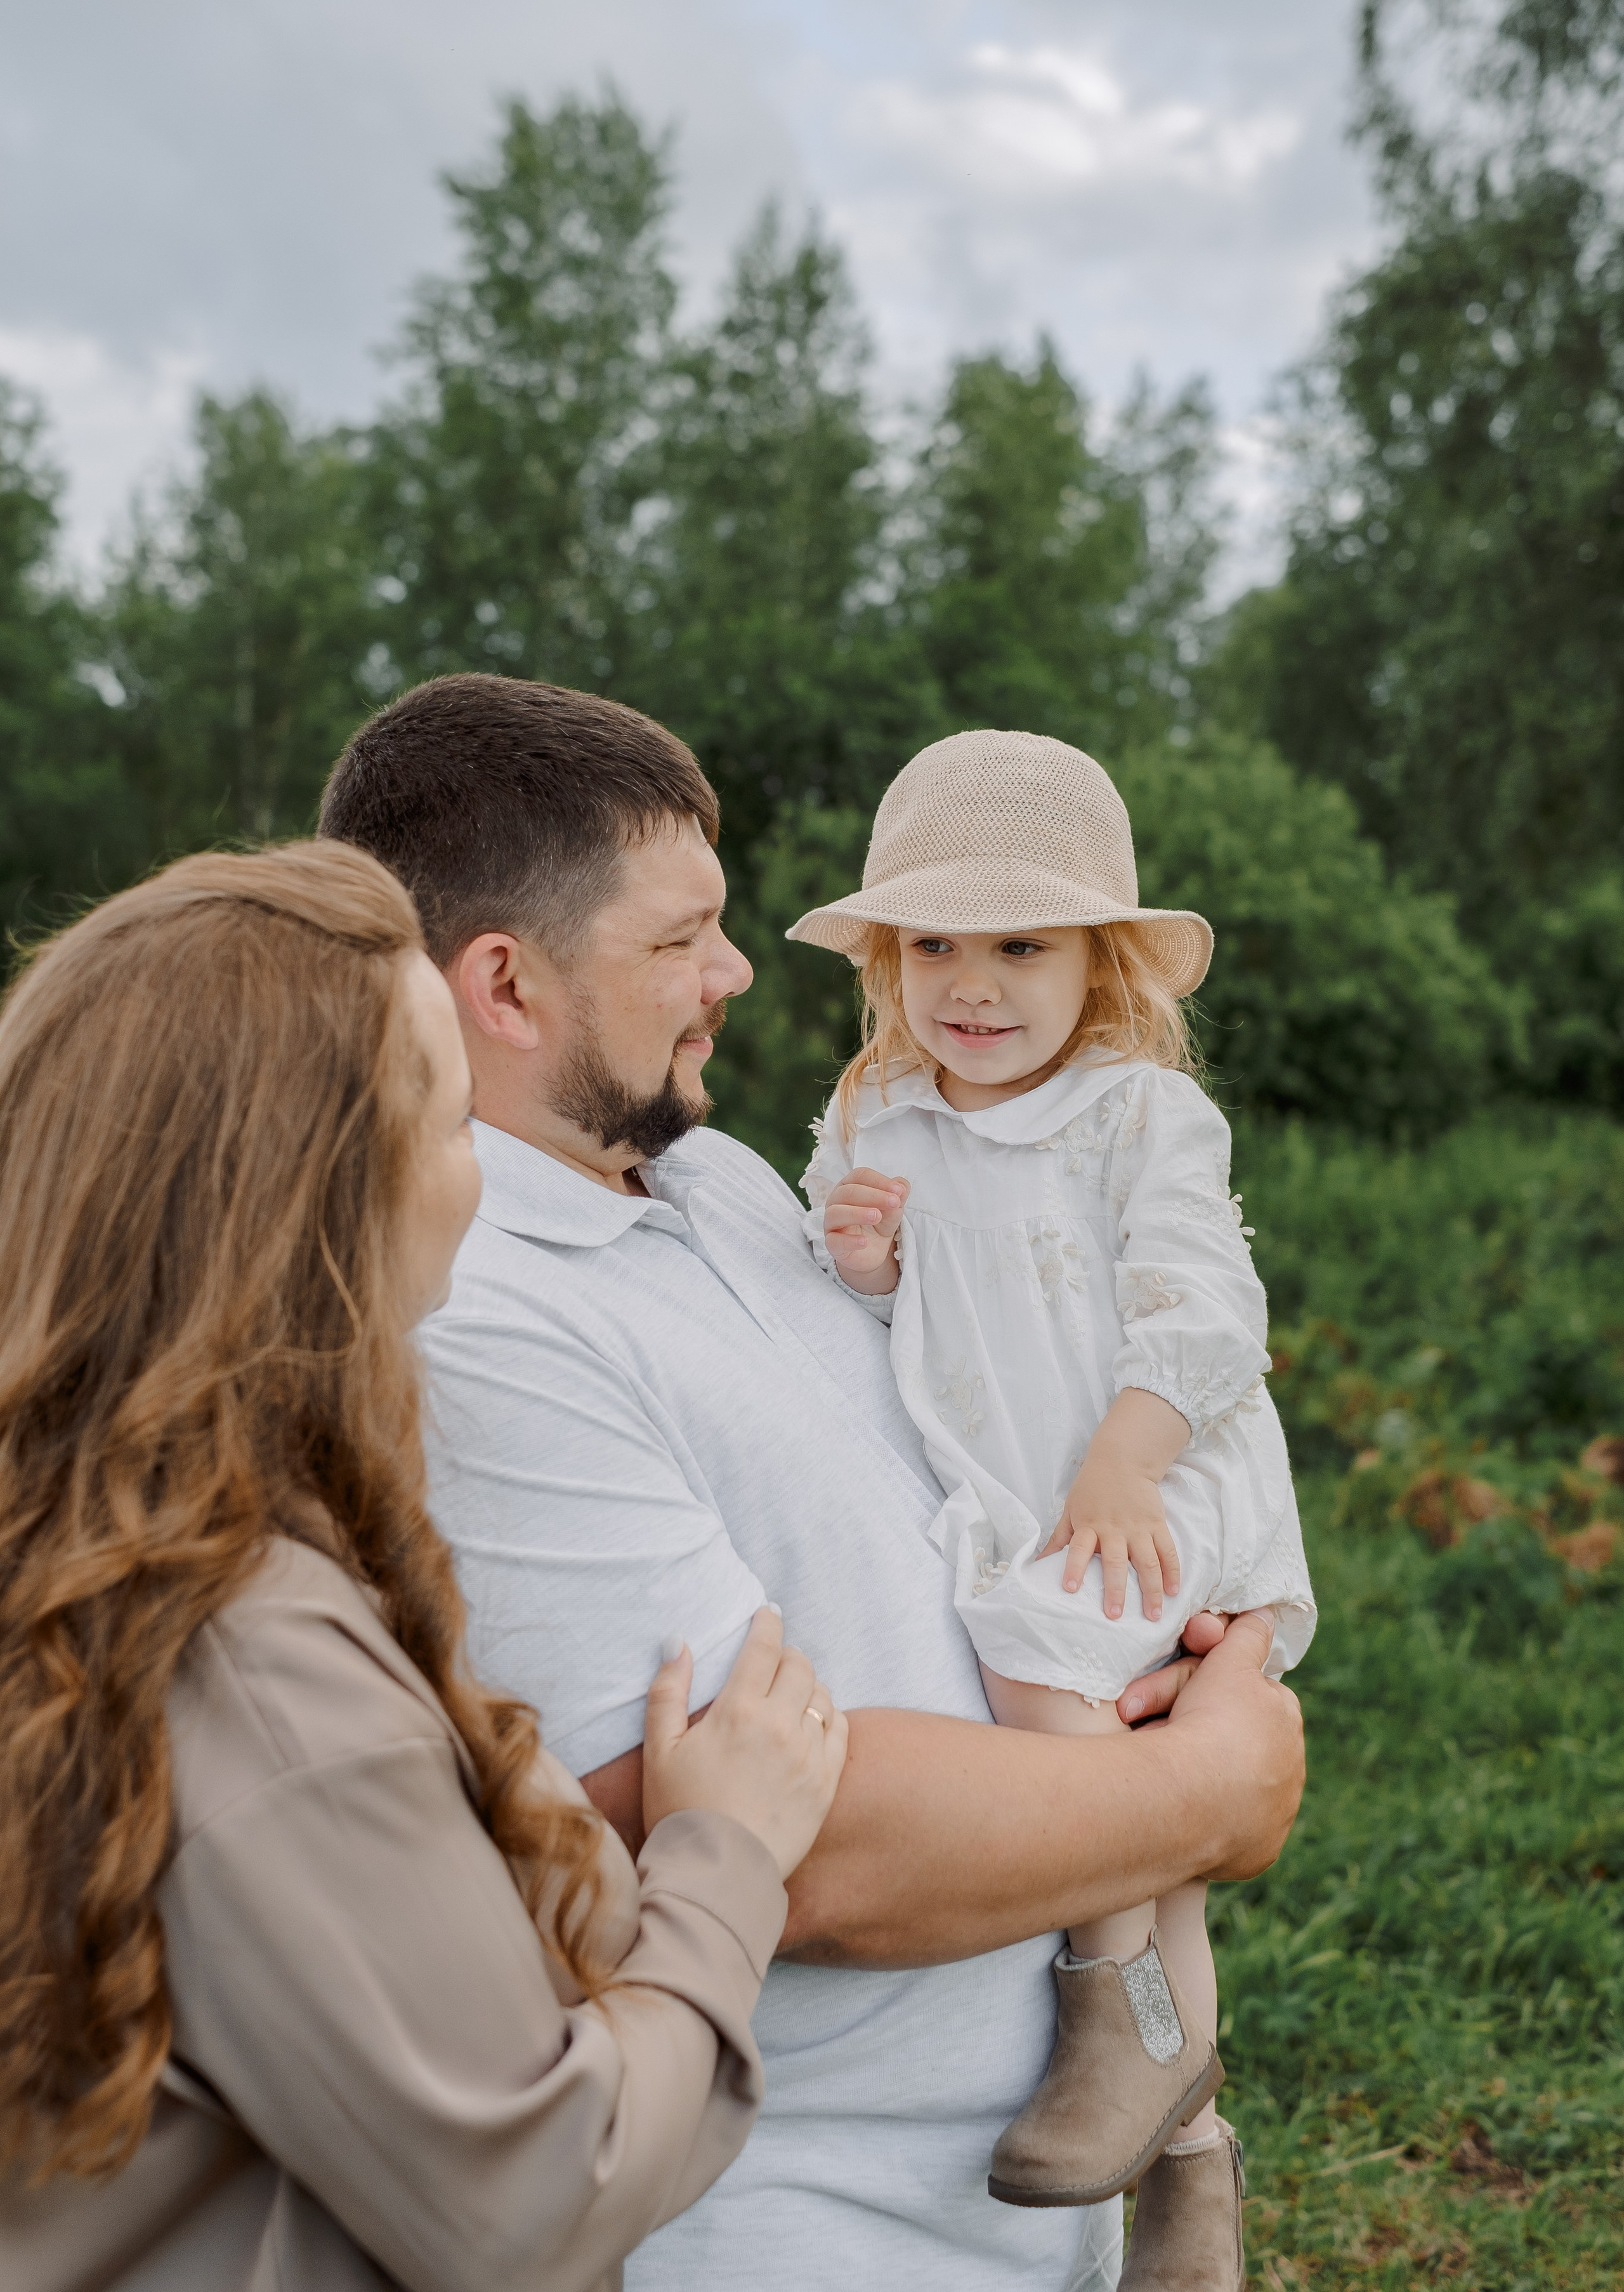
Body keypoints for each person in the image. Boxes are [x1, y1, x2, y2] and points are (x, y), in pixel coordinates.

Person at [317, 673, 1306, 2292]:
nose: (731, 974)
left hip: (1018, 2200)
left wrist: (1157, 1609)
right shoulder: (467, 1312)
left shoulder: (702, 1172)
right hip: (795, 2224)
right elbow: (752, 1835)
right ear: (503, 983)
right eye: (680, 938)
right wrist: (1205, 1792)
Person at [0, 842, 847, 2292]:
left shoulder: (85, 1535)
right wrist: (722, 1859)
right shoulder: (255, 1673)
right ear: (315, 1200)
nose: (478, 1172)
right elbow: (530, 2197)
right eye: (453, 1121)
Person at [796, 729, 1317, 2287]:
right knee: (1116, 1784)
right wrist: (863, 1265)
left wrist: (1123, 1458)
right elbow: (902, 1340)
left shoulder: (1134, 1115)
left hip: (1145, 1478)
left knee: (1037, 1672)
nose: (971, 982)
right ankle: (1191, 2167)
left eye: (1019, 943)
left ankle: (1107, 2001)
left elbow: (1210, 1319)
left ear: (1098, 960)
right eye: (933, 943)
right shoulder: (876, 1114)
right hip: (1014, 1490)